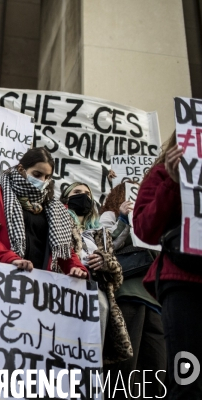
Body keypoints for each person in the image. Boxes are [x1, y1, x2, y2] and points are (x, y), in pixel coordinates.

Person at [133, 131, 202, 399]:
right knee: (189, 378)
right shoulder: (162, 174)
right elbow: (145, 229)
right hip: (184, 282)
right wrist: (173, 183)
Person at [0, 147, 88, 278]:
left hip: (38, 284)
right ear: (21, 169)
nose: (43, 181)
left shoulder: (53, 206)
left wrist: (76, 267)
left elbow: (63, 247)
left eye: (47, 177)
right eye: (37, 175)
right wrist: (10, 258)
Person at [100, 182, 166, 398]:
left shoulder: (154, 220)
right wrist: (122, 219)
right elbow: (104, 245)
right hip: (128, 294)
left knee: (156, 364)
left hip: (155, 300)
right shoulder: (109, 217)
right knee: (126, 366)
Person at [61, 182, 132, 364]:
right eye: (77, 192)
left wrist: (104, 260)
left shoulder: (100, 232)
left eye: (87, 193)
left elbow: (112, 252)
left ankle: (90, 374)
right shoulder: (57, 218)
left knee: (98, 317)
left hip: (95, 283)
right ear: (66, 197)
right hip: (65, 279)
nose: (83, 196)